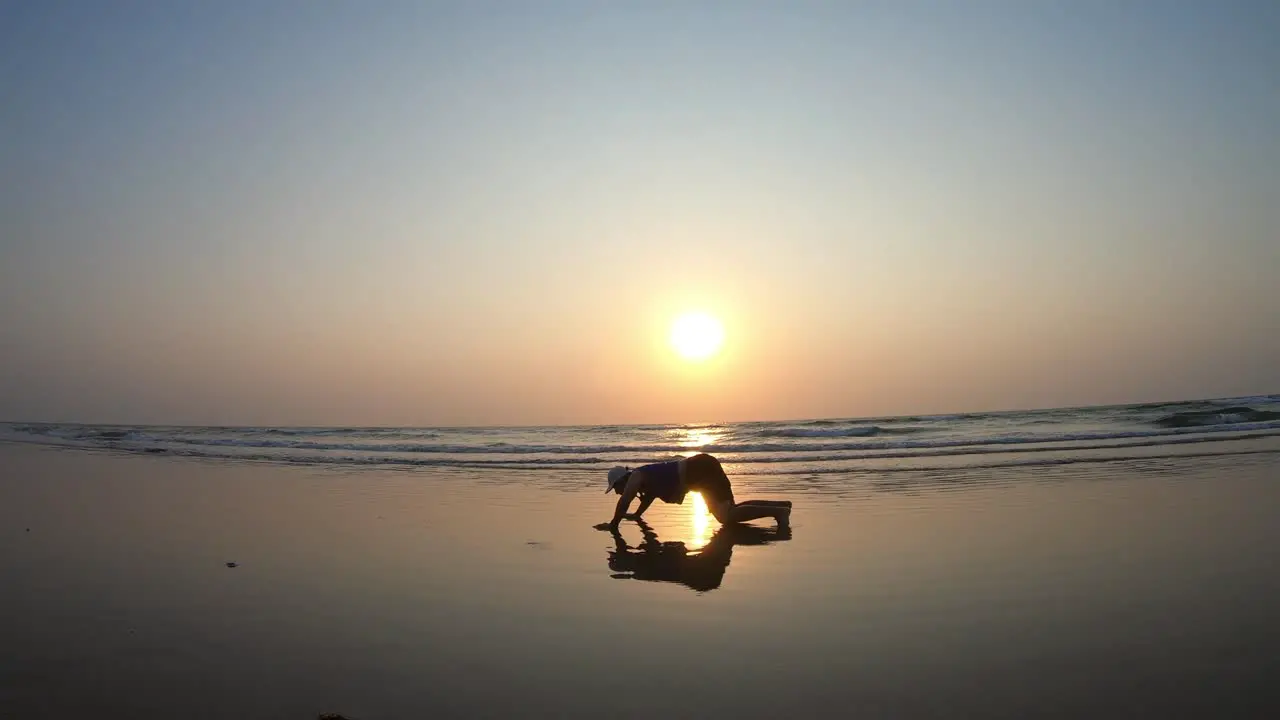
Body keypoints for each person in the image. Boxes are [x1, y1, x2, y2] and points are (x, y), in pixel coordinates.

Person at [596, 452, 791, 531]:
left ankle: (778, 512)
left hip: (699, 470)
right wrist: (637, 515)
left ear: (623, 479)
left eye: (616, 488)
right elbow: (650, 497)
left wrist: (613, 525)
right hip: (701, 468)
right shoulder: (644, 480)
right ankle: (781, 507)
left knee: (725, 516)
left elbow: (624, 502)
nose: (616, 493)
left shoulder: (637, 476)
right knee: (729, 510)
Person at [606, 517, 791, 592]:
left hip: (700, 576)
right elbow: (676, 550)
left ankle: (775, 533)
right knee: (729, 536)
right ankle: (776, 534)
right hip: (701, 575)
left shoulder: (641, 569)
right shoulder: (642, 569)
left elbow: (675, 552)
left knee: (729, 537)